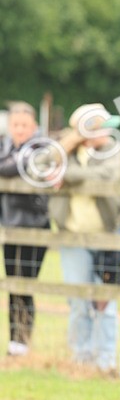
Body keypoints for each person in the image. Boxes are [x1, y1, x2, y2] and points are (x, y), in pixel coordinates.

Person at [50, 104, 120, 371]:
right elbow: (44, 166)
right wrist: (65, 164)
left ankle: (105, 362)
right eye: (102, 127)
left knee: (105, 301)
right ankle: (81, 359)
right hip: (72, 238)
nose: (108, 132)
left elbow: (106, 175)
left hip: (106, 236)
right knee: (79, 301)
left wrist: (67, 176)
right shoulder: (64, 153)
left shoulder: (110, 152)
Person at [0, 103, 50, 355]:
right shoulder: (6, 146)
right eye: (15, 125)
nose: (19, 130)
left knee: (26, 282)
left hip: (35, 224)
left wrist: (14, 164)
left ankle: (23, 339)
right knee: (12, 282)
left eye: (24, 125)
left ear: (35, 127)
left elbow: (12, 167)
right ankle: (14, 341)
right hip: (9, 224)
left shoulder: (41, 149)